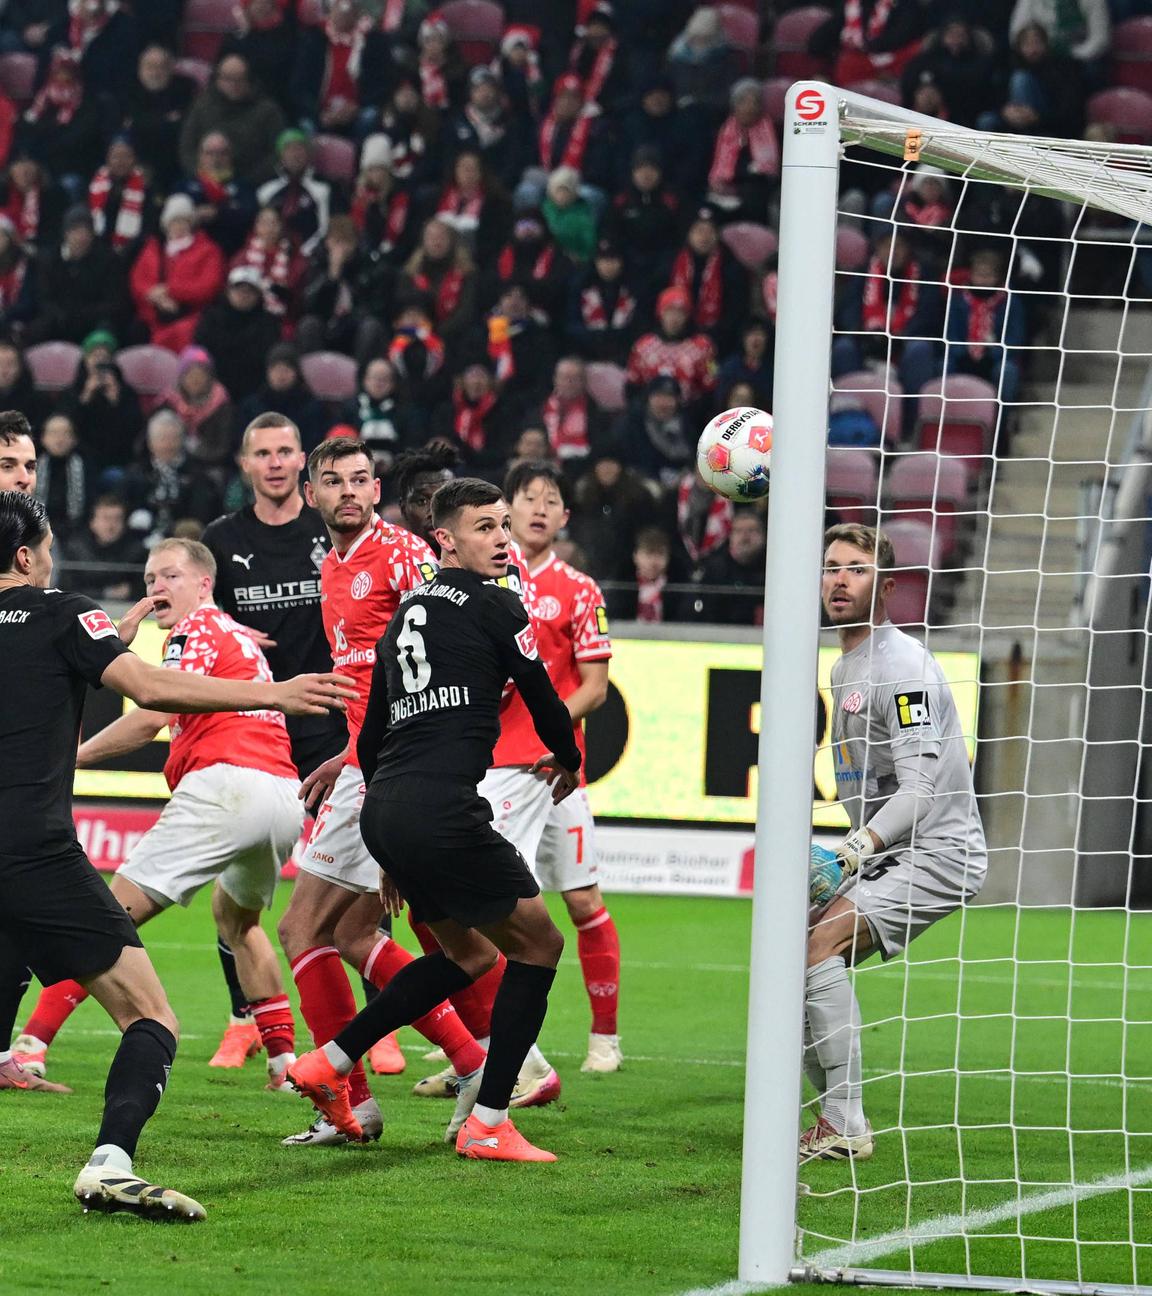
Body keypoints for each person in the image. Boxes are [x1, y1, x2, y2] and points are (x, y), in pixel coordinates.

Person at [0, 488, 352, 1211]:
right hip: (36, 851)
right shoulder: (66, 609)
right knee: (153, 1016)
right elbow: (152, 691)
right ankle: (109, 1161)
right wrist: (277, 695)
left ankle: (29, 1046)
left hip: (217, 791)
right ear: (26, 555)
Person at [287, 477, 583, 1162]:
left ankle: (332, 1057)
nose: (503, 539)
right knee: (539, 946)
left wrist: (389, 848)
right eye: (485, 527)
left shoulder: (403, 617)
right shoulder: (496, 604)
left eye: (505, 525)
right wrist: (567, 759)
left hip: (385, 806)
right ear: (446, 539)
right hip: (441, 809)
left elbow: (376, 733)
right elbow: (541, 694)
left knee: (468, 955)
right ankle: (490, 1121)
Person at [13, 539, 306, 1095]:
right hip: (281, 796)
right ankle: (284, 1065)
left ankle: (31, 1045)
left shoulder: (192, 632)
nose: (156, 589)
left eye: (170, 576)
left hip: (227, 786)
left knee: (103, 919)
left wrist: (69, 756)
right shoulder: (241, 636)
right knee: (238, 924)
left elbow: (152, 715)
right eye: (149, 579)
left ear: (204, 584)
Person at [275, 436, 490, 1146]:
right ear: (312, 495)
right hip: (368, 760)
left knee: (304, 930)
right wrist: (345, 752)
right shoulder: (332, 569)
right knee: (350, 931)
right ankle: (466, 1060)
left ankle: (351, 1094)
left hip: (396, 765)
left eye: (360, 480)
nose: (347, 492)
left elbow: (434, 663)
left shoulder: (399, 555)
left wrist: (398, 776)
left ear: (377, 491)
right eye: (332, 481)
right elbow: (378, 679)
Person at [804, 524, 987, 1161]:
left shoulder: (902, 666)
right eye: (831, 568)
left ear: (884, 583)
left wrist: (850, 851)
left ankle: (845, 1124)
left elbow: (919, 793)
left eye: (855, 569)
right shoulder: (846, 664)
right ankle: (830, 1116)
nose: (839, 581)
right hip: (889, 851)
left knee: (818, 942)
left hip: (938, 850)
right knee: (793, 954)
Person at [480, 462, 621, 1072]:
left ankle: (605, 1040)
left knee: (584, 902)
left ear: (565, 516)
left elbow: (596, 684)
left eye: (552, 500)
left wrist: (552, 725)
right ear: (507, 509)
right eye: (528, 497)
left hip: (558, 775)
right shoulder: (481, 581)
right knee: (489, 908)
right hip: (494, 768)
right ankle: (489, 1050)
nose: (539, 507)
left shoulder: (580, 590)